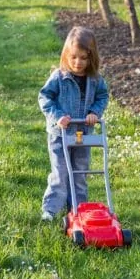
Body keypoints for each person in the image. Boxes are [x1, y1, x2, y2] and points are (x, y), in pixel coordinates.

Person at [38, 26, 109, 221]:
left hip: (83, 135)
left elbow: (102, 97)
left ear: (91, 58)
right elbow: (45, 98)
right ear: (66, 55)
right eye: (74, 57)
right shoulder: (59, 78)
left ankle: (78, 210)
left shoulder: (95, 80)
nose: (78, 63)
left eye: (84, 58)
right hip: (60, 135)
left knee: (80, 173)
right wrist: (58, 115)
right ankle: (50, 210)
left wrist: (95, 112)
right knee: (61, 174)